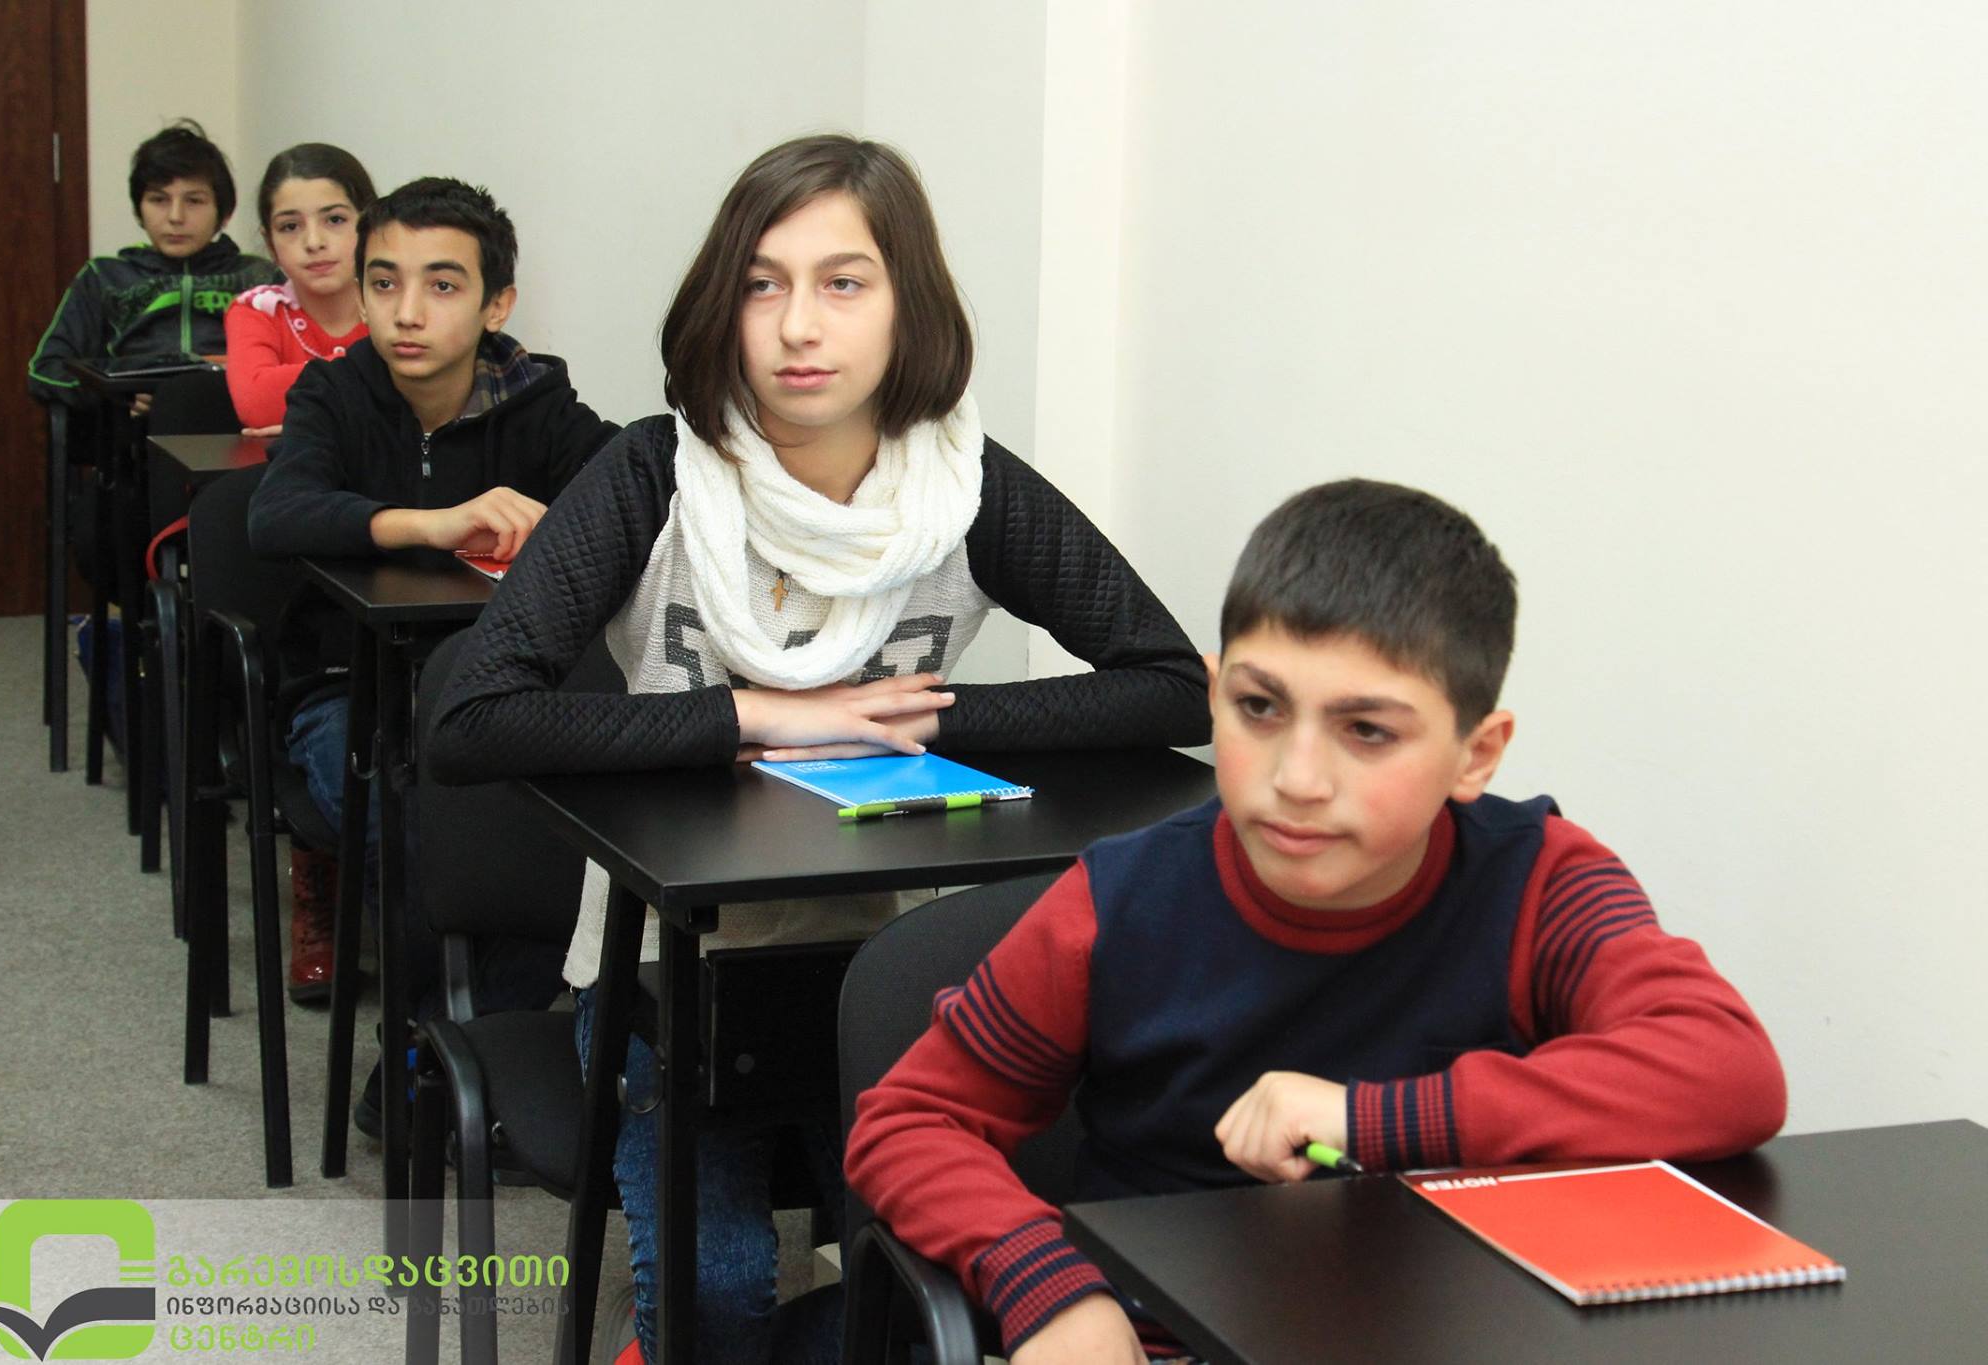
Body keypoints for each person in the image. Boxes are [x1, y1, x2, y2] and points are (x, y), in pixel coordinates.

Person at [426, 134, 1211, 1363]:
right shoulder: (652, 475)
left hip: (889, 975)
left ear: (908, 309)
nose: (799, 326)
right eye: (762, 284)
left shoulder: (960, 489)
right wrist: (757, 716)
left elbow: (1172, 688)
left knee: (942, 1296)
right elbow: (467, 719)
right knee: (722, 1295)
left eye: (843, 283)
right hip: (663, 982)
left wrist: (914, 712)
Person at [843, 479, 1789, 1363]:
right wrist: (1046, 1284)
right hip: (1177, 1338)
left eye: (1367, 730)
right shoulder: (1116, 903)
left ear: (1476, 753)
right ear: (1216, 694)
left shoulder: (1540, 878)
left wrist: (1372, 1118)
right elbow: (913, 1121)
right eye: (1259, 708)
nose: (1296, 778)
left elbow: (1725, 1070)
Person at [247, 176, 615, 1036]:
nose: (407, 312)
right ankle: (429, 1045)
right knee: (411, 820)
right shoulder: (333, 394)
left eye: (443, 285)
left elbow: (629, 494)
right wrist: (434, 523)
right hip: (346, 688)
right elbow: (275, 513)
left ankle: (463, 1040)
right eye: (384, 283)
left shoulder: (538, 401)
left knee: (568, 827)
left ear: (497, 304)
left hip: (498, 691)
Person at [29, 119, 275, 415]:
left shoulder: (259, 278)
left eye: (194, 201)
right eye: (159, 200)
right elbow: (46, 370)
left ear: (224, 213)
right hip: (132, 432)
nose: (175, 217)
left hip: (237, 425)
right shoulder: (104, 277)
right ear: (139, 210)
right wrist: (114, 393)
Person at [226, 143, 377, 434]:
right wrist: (377, 372)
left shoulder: (400, 305)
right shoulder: (256, 311)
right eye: (290, 226)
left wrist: (307, 422)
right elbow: (257, 403)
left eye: (335, 219)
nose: (313, 242)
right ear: (270, 244)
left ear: (370, 226)